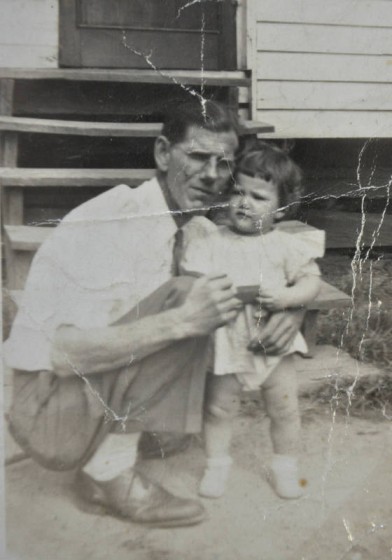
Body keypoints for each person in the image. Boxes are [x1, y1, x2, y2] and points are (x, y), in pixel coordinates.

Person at [4, 102, 305, 527]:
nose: (213, 176)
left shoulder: (196, 229)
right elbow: (63, 352)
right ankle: (108, 476)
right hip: (47, 405)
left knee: (204, 293)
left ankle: (118, 442)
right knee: (188, 298)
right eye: (198, 157)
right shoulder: (111, 222)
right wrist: (182, 321)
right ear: (164, 153)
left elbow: (258, 279)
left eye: (224, 163)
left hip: (92, 389)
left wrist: (289, 310)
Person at [179, 142, 324, 500]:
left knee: (285, 408)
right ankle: (217, 465)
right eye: (238, 192)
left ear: (282, 207)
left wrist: (289, 298)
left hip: (273, 342)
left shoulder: (287, 246)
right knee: (217, 408)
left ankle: (286, 467)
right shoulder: (213, 240)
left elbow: (311, 281)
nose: (244, 203)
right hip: (227, 340)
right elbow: (192, 277)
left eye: (259, 197)